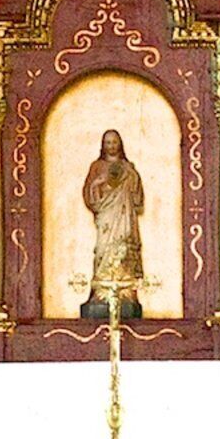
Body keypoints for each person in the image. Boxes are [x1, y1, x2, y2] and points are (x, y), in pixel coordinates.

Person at [78, 129, 148, 321]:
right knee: (103, 249)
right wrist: (98, 184)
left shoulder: (128, 167)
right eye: (108, 142)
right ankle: (101, 292)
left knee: (123, 247)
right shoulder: (97, 166)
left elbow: (137, 197)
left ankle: (126, 292)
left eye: (114, 142)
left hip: (124, 215)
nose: (111, 146)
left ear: (120, 144)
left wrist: (131, 176)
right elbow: (89, 195)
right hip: (106, 217)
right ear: (103, 145)